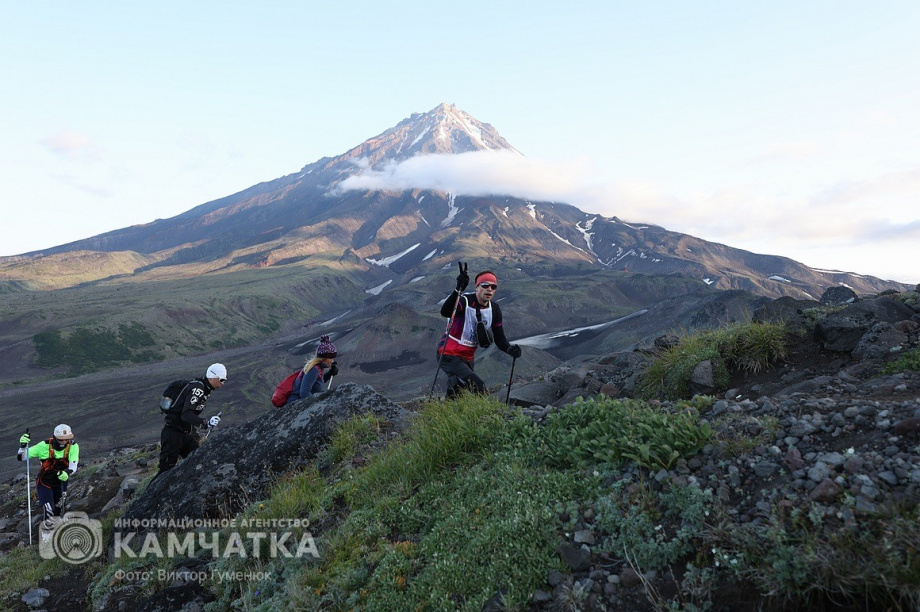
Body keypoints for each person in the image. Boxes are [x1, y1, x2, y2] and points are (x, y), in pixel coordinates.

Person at [437, 262, 522, 398]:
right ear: (477, 287)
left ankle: (444, 415)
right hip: (448, 353)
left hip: (468, 356)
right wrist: (458, 290)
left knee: (457, 390)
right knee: (477, 386)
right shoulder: (464, 301)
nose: (489, 289)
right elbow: (446, 311)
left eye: (493, 287)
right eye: (485, 285)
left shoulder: (494, 309)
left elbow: (500, 339)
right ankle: (488, 415)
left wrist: (510, 349)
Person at [156, 363, 226, 475]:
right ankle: (152, 493)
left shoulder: (203, 388)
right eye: (221, 380)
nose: (222, 384)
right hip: (173, 434)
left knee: (198, 460)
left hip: (184, 433)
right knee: (165, 471)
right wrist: (206, 423)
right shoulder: (198, 389)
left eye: (224, 380)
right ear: (212, 377)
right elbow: (186, 414)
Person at [17, 424, 80, 520]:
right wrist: (22, 446)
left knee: (58, 509)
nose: (64, 442)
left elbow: (73, 466)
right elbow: (22, 457)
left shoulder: (73, 446)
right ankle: (47, 533)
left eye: (67, 439)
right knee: (49, 509)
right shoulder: (43, 446)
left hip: (61, 481)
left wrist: (67, 473)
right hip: (45, 481)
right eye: (61, 439)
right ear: (54, 437)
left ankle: (55, 530)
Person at [286, 335, 339, 405]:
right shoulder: (313, 369)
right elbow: (304, 392)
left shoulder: (318, 368)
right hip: (296, 406)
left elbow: (317, 383)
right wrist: (318, 407)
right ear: (323, 358)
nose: (332, 360)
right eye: (331, 357)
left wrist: (329, 374)